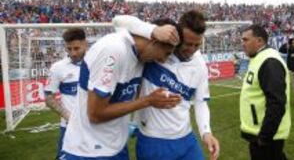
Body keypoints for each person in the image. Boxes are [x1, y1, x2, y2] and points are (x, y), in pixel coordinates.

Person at [62, 22, 182, 159]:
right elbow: (95, 114)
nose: (163, 60)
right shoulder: (113, 50)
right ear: (154, 41)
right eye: (166, 53)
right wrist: (148, 101)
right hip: (88, 151)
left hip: (117, 148)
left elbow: (122, 20)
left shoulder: (139, 55)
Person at [114, 10, 220, 160]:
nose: (192, 49)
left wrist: (206, 132)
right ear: (177, 37)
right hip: (153, 141)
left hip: (186, 139)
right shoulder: (155, 51)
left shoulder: (199, 64)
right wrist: (154, 30)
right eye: (188, 44)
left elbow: (200, 101)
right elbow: (117, 21)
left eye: (197, 44)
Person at [240, 25, 291, 160]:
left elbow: (277, 102)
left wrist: (264, 137)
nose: (242, 44)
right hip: (261, 134)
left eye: (246, 40)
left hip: (266, 137)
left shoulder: (269, 61)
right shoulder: (260, 58)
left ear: (259, 41)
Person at [44, 28, 87, 160]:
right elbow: (48, 97)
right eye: (69, 49)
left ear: (85, 43)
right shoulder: (58, 68)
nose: (73, 53)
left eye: (76, 48)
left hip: (94, 125)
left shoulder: (96, 62)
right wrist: (68, 116)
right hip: (69, 127)